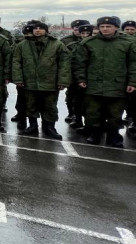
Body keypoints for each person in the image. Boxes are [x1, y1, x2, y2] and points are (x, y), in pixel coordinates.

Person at [72, 16, 136, 147]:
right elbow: (79, 64)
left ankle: (114, 136)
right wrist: (81, 79)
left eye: (109, 26)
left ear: (116, 27)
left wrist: (132, 82)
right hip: (93, 84)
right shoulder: (88, 43)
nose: (105, 29)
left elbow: (134, 64)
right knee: (94, 112)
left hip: (118, 85)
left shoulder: (129, 43)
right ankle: (96, 133)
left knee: (115, 113)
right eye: (102, 27)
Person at [11, 21, 71, 139]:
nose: (37, 30)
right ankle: (32, 126)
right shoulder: (23, 45)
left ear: (46, 31)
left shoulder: (57, 45)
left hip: (50, 82)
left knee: (50, 106)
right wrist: (18, 78)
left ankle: (49, 127)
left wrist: (62, 81)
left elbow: (64, 63)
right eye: (35, 28)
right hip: (30, 81)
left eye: (40, 28)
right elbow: (16, 62)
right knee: (31, 105)